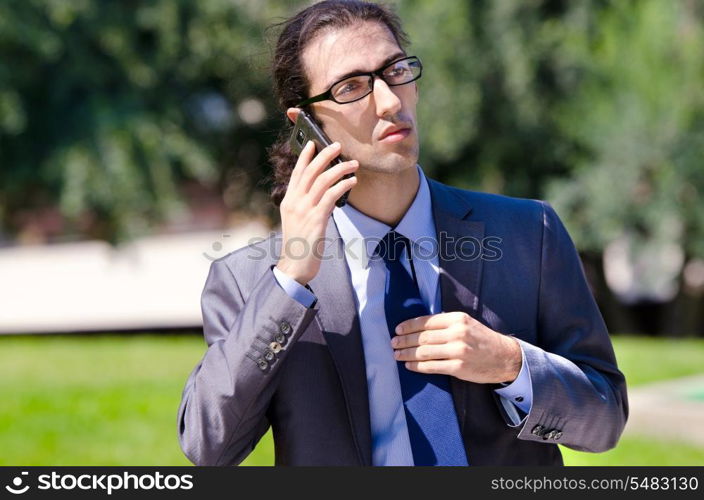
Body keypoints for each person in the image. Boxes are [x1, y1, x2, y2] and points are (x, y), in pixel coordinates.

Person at [177, 0, 628, 466]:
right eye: (350, 87)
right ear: (306, 124)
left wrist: (509, 364)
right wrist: (290, 278)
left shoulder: (528, 233)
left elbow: (606, 418)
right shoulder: (249, 280)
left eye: (395, 71)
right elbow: (210, 447)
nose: (390, 102)